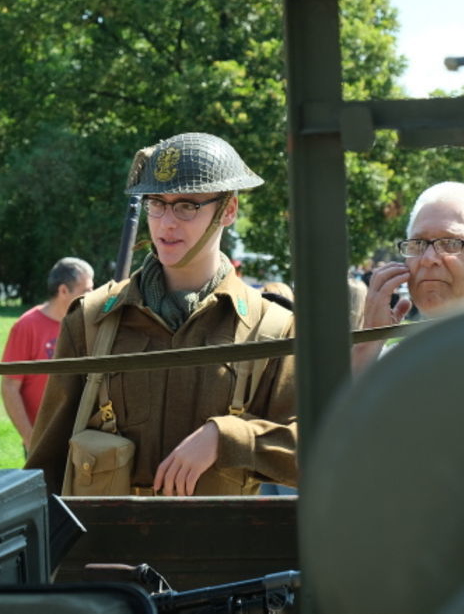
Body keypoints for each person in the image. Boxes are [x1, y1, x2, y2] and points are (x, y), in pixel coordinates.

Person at [26, 132, 297, 496]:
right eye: (157, 203)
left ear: (228, 210)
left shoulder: (272, 327)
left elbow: (313, 450)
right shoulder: (92, 320)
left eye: (187, 206)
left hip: (217, 548)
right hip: (106, 548)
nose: (167, 223)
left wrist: (227, 436)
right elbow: (46, 466)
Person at [363, 181, 464, 330]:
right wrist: (369, 342)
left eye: (450, 244)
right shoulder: (386, 352)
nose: (428, 259)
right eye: (418, 243)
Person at [1, 257, 95, 451]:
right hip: (43, 439)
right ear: (63, 291)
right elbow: (10, 386)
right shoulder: (27, 326)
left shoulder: (87, 323)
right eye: (86, 290)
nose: (92, 295)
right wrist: (30, 438)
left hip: (83, 437)